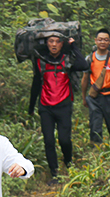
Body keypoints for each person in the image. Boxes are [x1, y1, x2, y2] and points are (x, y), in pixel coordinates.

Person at [29, 35, 89, 184]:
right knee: (48, 140)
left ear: (62, 44)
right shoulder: (40, 61)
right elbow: (36, 83)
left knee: (64, 140)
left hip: (64, 105)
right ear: (47, 43)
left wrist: (74, 46)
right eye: (51, 41)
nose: (54, 44)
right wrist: (31, 107)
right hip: (45, 106)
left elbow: (84, 65)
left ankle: (68, 164)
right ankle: (54, 174)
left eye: (57, 41)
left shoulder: (68, 60)